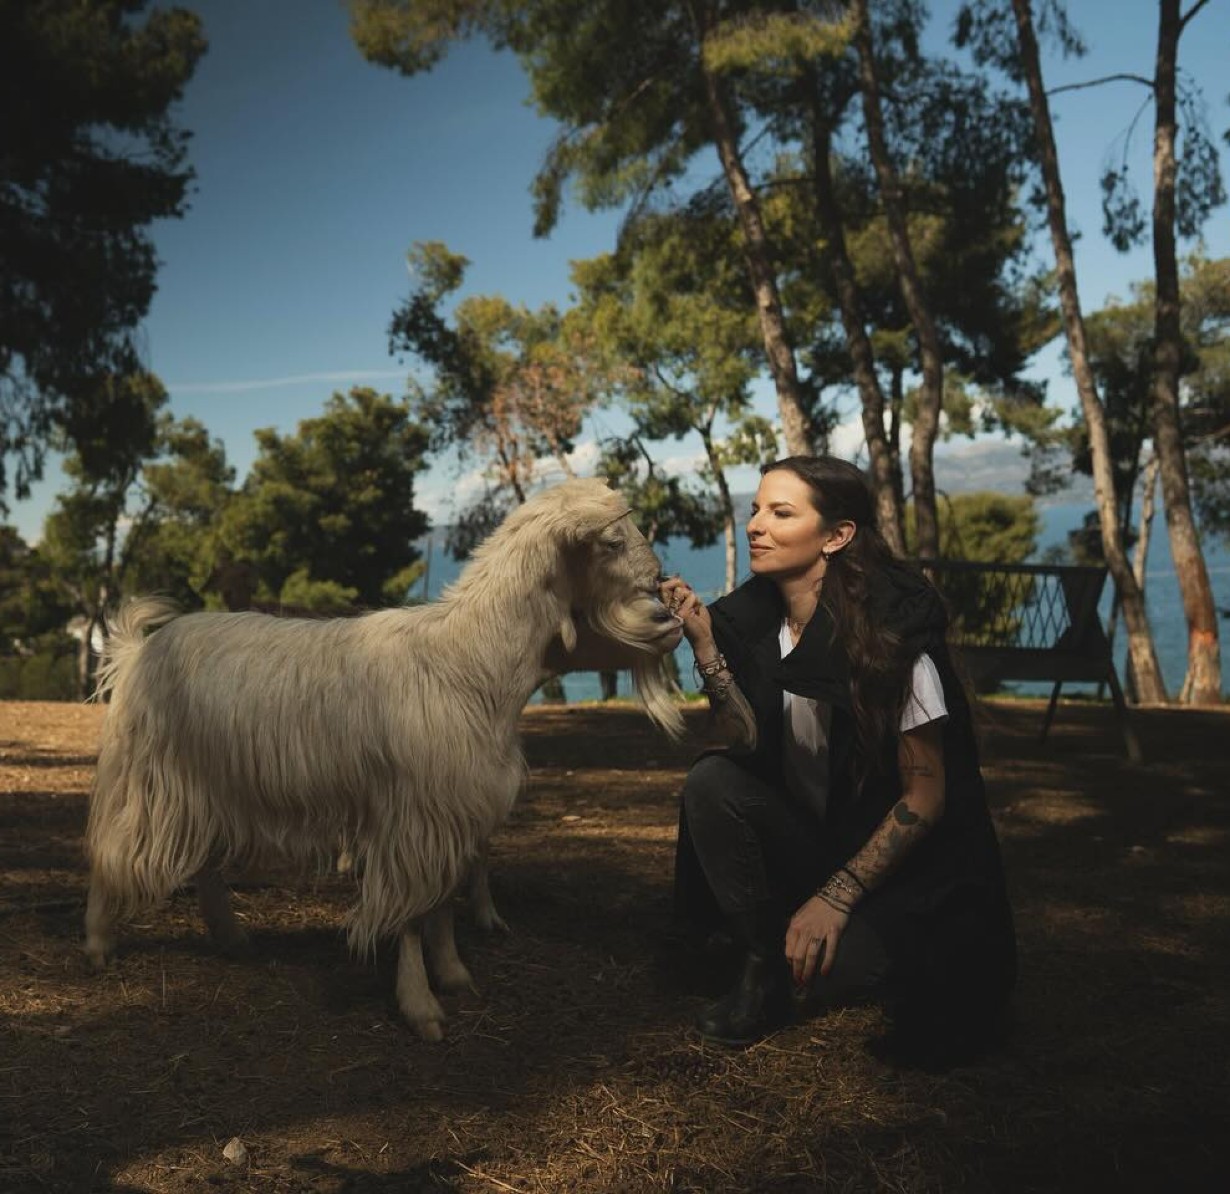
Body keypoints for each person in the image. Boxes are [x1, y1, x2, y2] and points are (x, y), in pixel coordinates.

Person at [659, 456, 1016, 1060]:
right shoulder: (754, 622)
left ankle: (808, 946)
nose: (756, 526)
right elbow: (744, 743)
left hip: (910, 876)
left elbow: (925, 798)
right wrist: (704, 643)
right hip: (818, 839)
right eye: (755, 511)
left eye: (782, 513)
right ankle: (759, 958)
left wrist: (835, 897)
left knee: (830, 977)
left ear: (836, 536)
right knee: (713, 779)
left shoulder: (890, 635)